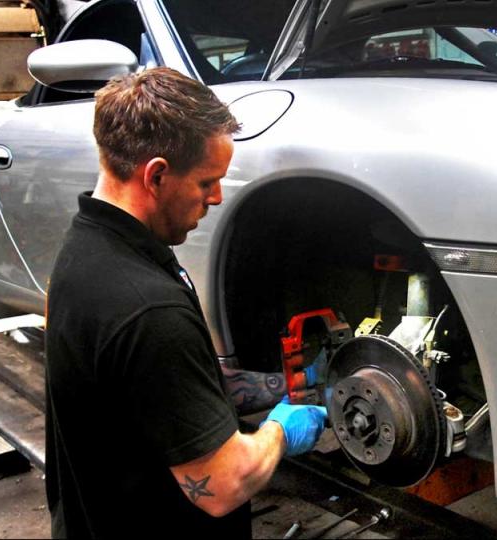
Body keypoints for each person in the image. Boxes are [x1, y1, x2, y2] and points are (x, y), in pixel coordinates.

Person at [44, 67, 328, 539]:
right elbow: (221, 484)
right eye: (205, 182)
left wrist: (282, 385)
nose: (216, 197)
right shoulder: (148, 309)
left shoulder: (83, 254)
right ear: (155, 175)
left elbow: (160, 389)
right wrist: (280, 431)